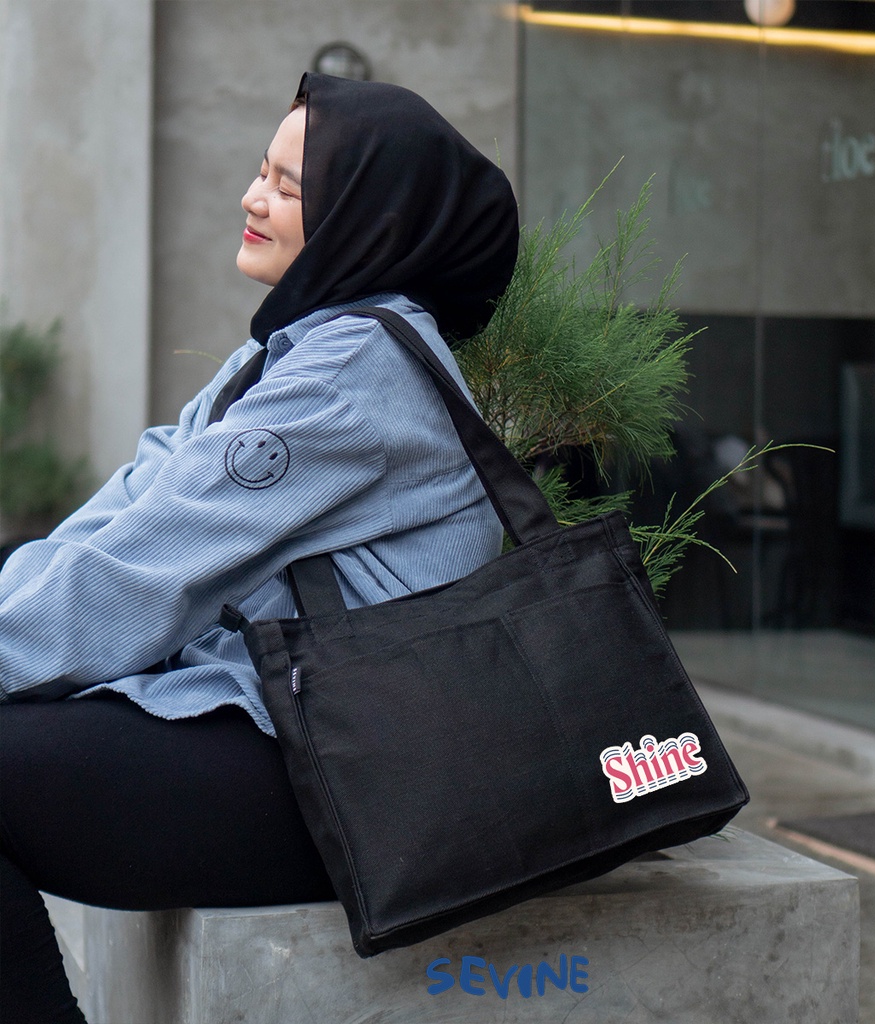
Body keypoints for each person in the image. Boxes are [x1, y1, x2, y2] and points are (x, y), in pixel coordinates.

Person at [0, 72, 519, 1023]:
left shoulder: (354, 374)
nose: (252, 197)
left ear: (366, 217)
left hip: (349, 772)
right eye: (261, 170)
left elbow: (144, 580)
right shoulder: (282, 355)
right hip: (272, 720)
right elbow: (117, 524)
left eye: (289, 186)